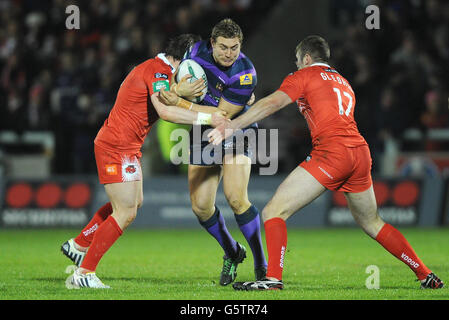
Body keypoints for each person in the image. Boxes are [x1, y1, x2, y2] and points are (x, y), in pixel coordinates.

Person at [208, 35, 444, 290]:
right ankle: (425, 274)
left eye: (298, 61)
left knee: (273, 211)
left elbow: (273, 103)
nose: (296, 65)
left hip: (333, 152)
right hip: (359, 153)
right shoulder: (344, 82)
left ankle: (273, 279)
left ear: (307, 58)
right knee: (372, 222)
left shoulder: (304, 76)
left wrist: (232, 126)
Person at [61, 34, 226, 289]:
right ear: (186, 55)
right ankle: (84, 273)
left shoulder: (161, 71)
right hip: (116, 145)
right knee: (125, 210)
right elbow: (166, 111)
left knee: (133, 204)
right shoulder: (158, 70)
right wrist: (207, 118)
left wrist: (212, 112)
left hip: (126, 146)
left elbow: (173, 102)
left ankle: (80, 244)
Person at [159, 18, 267, 286]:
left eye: (234, 47)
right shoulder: (193, 52)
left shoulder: (245, 73)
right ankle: (232, 251)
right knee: (201, 206)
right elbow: (170, 81)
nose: (229, 53)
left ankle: (261, 264)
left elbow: (221, 116)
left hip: (234, 128)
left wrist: (180, 101)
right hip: (202, 130)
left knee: (235, 198)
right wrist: (177, 89)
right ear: (212, 43)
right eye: (223, 47)